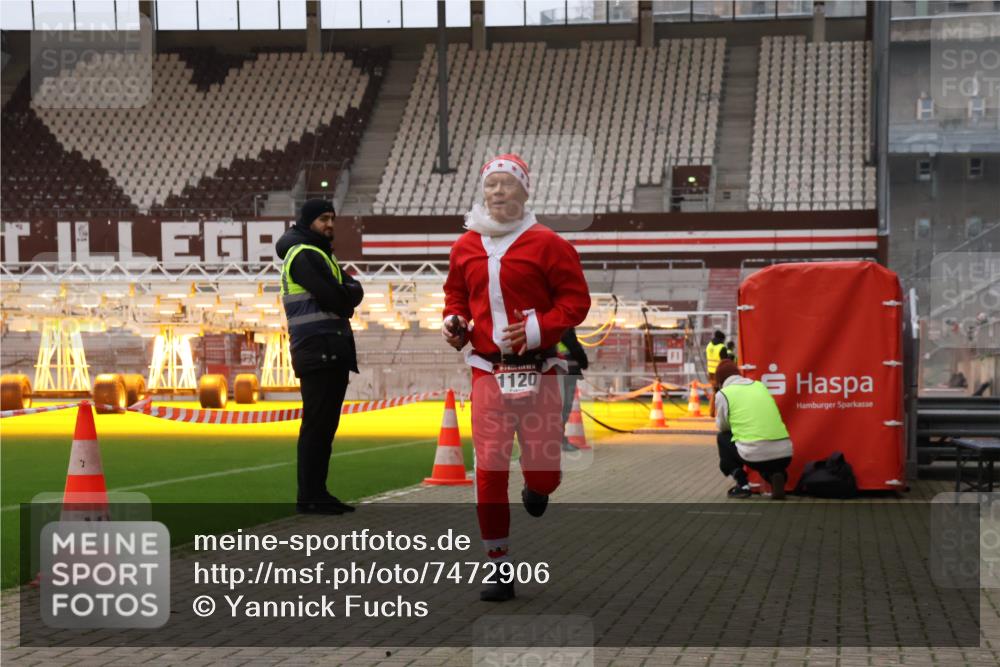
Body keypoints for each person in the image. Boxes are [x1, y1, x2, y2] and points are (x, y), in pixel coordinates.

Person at [442, 153, 591, 602]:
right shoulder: (465, 245)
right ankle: (498, 566)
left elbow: (576, 301)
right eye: (492, 185)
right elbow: (456, 295)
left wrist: (536, 328)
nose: (499, 192)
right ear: (482, 192)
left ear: (525, 192)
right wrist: (453, 321)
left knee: (544, 474)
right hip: (488, 371)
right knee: (488, 469)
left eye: (508, 185)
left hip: (541, 370)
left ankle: (536, 486)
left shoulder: (549, 243)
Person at [276, 199, 364, 515]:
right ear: (308, 221)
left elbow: (354, 290)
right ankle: (311, 496)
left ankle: (317, 493)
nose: (329, 224)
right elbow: (339, 298)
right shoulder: (305, 255)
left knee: (323, 426)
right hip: (319, 348)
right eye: (323, 219)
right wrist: (347, 297)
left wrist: (347, 295)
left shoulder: (320, 254)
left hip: (327, 348)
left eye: (332, 218)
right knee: (317, 426)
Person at [714, 359, 793, 500]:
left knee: (723, 437)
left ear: (720, 382)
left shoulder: (724, 394)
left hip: (755, 454)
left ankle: (742, 485)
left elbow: (722, 426)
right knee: (765, 456)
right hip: (785, 454)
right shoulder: (759, 386)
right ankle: (776, 475)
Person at [558, 327, 589, 451]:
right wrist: (583, 361)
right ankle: (560, 441)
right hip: (567, 372)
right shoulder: (564, 325)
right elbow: (573, 346)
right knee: (564, 408)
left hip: (552, 373)